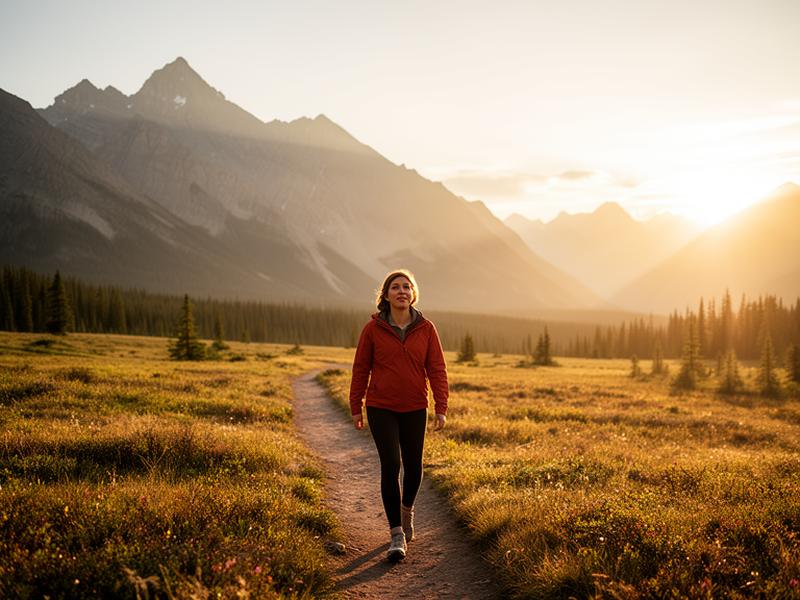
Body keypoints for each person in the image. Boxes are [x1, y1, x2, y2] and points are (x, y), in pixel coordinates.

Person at [349, 269, 449, 562]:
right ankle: (396, 534)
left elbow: (437, 369)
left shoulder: (426, 328)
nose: (402, 291)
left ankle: (407, 512)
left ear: (413, 294)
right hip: (380, 406)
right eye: (395, 287)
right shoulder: (373, 329)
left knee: (414, 467)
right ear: (386, 294)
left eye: (407, 287)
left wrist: (441, 407)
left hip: (415, 406)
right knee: (391, 465)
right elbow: (360, 368)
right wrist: (356, 405)